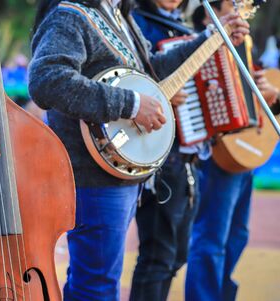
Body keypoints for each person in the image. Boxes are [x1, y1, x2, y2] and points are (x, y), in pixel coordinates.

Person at [28, 0, 248, 299]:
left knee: (98, 281)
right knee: (96, 286)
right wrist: (130, 105)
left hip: (117, 173)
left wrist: (211, 38)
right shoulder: (71, 14)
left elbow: (152, 69)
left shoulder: (116, 15)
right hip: (92, 178)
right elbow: (47, 79)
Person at [185, 1, 279, 301]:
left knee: (237, 235)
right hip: (217, 152)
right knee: (211, 239)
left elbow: (260, 97)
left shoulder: (245, 42)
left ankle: (222, 293)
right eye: (235, 3)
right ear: (215, 7)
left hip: (245, 150)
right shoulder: (194, 39)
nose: (243, 8)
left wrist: (271, 96)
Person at [128, 1, 206, 300]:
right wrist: (158, 94)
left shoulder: (184, 28)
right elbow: (129, 78)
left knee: (176, 256)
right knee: (158, 257)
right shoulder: (135, 22)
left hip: (188, 153)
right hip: (158, 151)